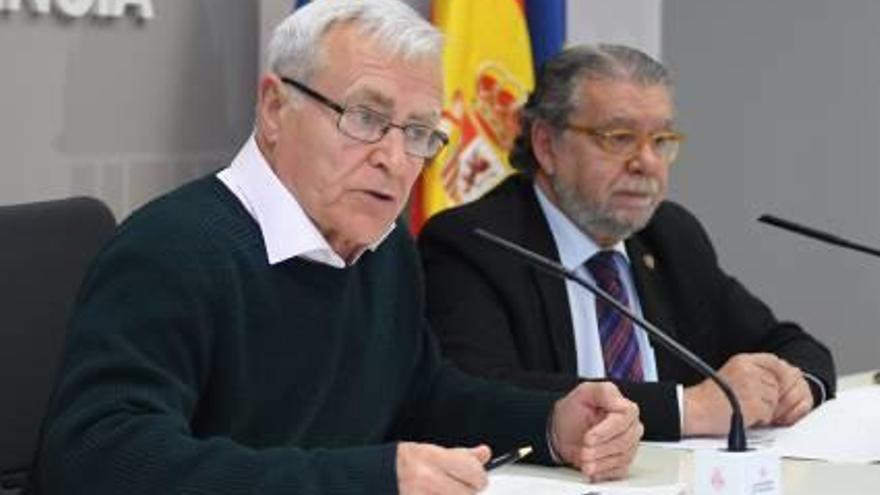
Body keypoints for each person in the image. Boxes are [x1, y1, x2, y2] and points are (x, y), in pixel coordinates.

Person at [33, 3, 644, 495]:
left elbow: (421, 396)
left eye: (418, 132)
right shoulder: (172, 250)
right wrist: (368, 479)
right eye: (364, 118)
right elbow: (101, 460)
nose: (394, 158)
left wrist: (549, 423)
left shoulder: (381, 248)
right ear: (275, 108)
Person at [418, 44, 835, 442]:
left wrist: (795, 385)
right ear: (547, 145)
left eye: (661, 141)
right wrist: (686, 408)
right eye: (619, 137)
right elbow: (476, 392)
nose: (647, 163)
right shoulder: (476, 242)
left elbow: (789, 344)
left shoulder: (670, 236)